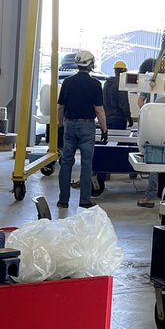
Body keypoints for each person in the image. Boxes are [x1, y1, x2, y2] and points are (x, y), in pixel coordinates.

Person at [57, 48, 107, 210]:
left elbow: (60, 108)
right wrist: (104, 130)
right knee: (86, 164)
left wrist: (60, 126)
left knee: (66, 163)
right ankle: (84, 200)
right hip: (87, 126)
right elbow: (99, 110)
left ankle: (63, 200)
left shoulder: (67, 82)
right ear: (90, 64)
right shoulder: (95, 84)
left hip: (69, 125)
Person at [136, 56, 165, 208]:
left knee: (156, 165)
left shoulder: (152, 84)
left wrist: (147, 117)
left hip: (157, 130)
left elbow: (140, 103)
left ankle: (150, 196)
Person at [102, 60, 133, 132]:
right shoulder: (121, 84)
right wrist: (129, 118)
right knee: (119, 141)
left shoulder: (106, 83)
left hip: (107, 118)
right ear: (124, 71)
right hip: (119, 119)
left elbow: (103, 101)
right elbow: (124, 103)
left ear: (115, 71)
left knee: (109, 141)